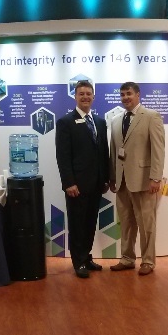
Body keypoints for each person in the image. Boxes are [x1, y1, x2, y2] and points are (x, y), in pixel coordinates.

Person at [109, 81, 166, 276]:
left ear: (138, 95)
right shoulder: (116, 120)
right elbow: (113, 152)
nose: (125, 97)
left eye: (129, 94)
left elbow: (158, 149)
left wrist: (156, 178)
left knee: (146, 224)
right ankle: (127, 258)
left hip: (143, 180)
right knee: (125, 222)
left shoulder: (151, 117)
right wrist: (112, 177)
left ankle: (148, 261)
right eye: (123, 94)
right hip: (122, 181)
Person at [55, 80, 110, 278]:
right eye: (81, 94)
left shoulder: (100, 122)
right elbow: (63, 156)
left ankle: (86, 257)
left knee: (89, 224)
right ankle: (77, 262)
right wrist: (69, 182)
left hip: (96, 184)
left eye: (88, 94)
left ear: (94, 97)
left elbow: (104, 153)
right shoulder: (65, 122)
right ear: (75, 97)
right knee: (77, 225)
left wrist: (105, 179)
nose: (85, 97)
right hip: (76, 186)